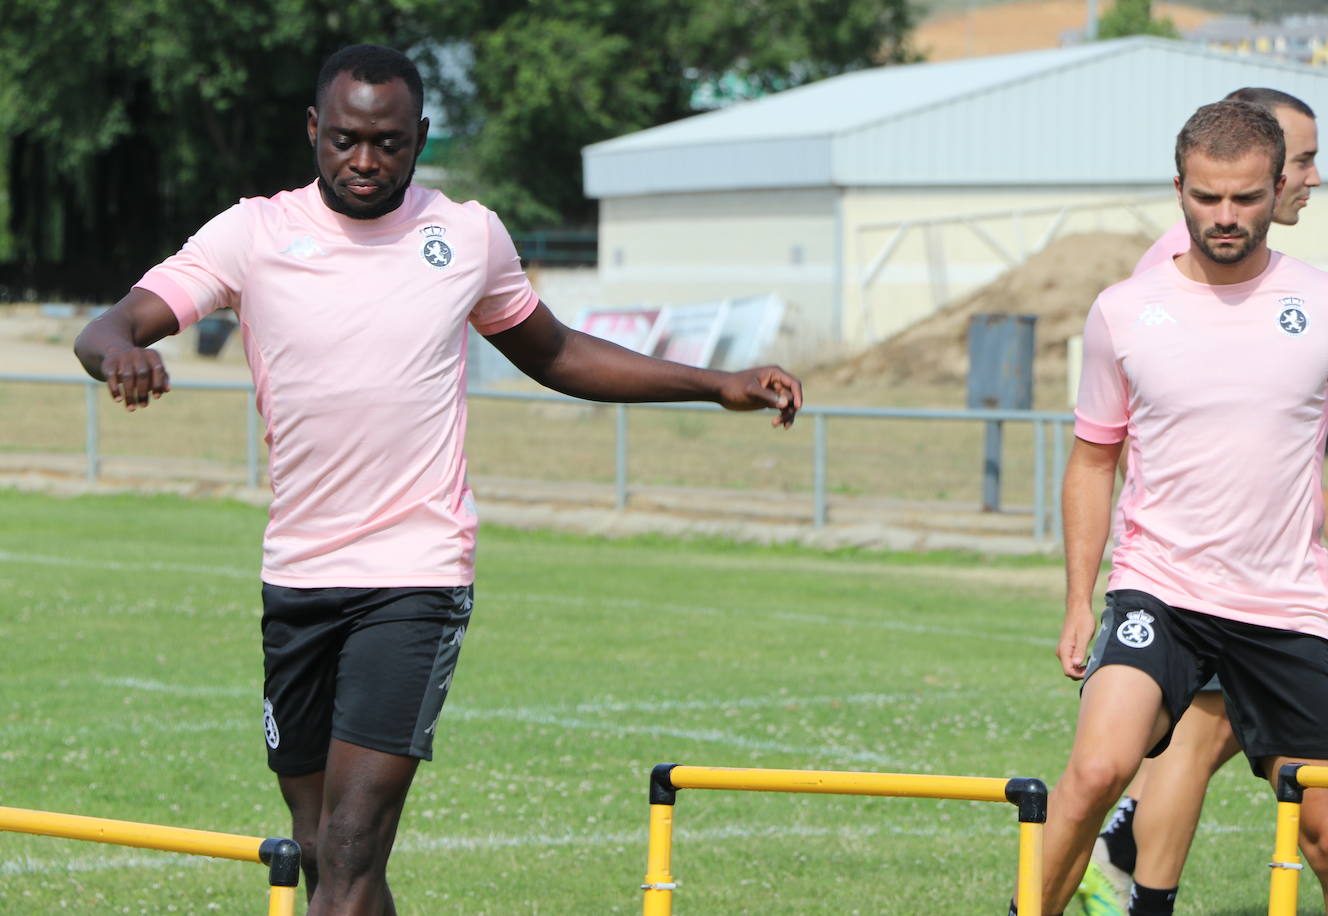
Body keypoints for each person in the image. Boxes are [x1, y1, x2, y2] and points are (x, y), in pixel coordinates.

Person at [73, 44, 802, 916]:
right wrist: (122, 353)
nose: (365, 161)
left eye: (387, 142)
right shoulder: (253, 235)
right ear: (314, 131)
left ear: (419, 138)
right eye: (345, 140)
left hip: (415, 573)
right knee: (321, 852)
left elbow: (558, 351)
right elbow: (112, 324)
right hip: (298, 573)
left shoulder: (464, 236)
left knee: (349, 849)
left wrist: (713, 383)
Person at [1012, 99, 1328, 916]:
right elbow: (1093, 459)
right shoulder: (1124, 309)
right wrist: (1078, 598)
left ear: (1276, 187)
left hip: (1285, 608)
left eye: (1246, 198)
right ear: (1179, 187)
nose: (1226, 216)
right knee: (1100, 769)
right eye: (1207, 198)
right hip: (1160, 590)